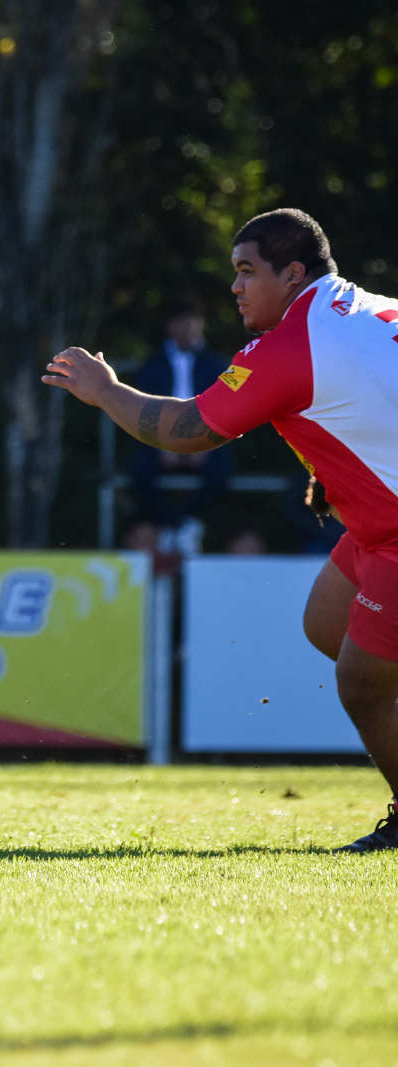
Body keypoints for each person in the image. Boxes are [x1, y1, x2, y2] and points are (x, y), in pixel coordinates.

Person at [44, 208, 398, 852]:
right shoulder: (366, 306)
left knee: (363, 684)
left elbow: (188, 431)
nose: (234, 287)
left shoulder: (292, 344)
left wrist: (105, 389)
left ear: (292, 274)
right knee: (327, 626)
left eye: (246, 271)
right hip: (377, 529)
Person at [127, 294, 232, 555]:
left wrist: (205, 444)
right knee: (138, 474)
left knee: (221, 474)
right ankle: (174, 525)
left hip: (207, 439)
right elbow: (143, 408)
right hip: (160, 440)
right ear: (168, 325)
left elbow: (228, 408)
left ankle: (185, 523)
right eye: (179, 321)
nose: (186, 327)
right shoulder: (152, 365)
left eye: (191, 320)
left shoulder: (217, 364)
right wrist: (163, 444)